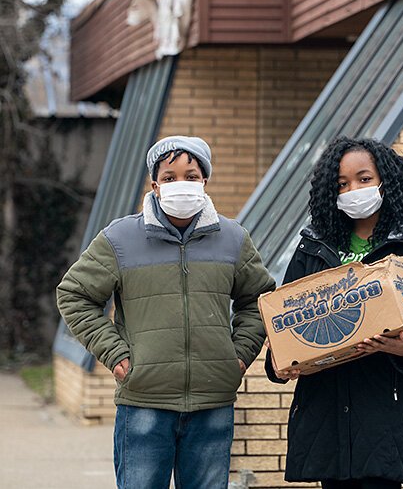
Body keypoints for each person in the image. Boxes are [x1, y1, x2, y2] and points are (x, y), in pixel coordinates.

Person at [57, 135, 275, 489]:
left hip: (212, 402)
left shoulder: (233, 238)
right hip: (144, 401)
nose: (181, 185)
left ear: (204, 180)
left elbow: (259, 298)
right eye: (170, 177)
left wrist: (238, 355)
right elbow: (74, 295)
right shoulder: (120, 239)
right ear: (155, 185)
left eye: (191, 175)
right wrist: (115, 355)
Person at [265, 137, 403, 489]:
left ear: (385, 181)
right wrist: (280, 364)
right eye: (342, 184)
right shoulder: (314, 247)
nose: (353, 189)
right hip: (328, 416)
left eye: (363, 179)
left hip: (385, 416)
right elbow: (284, 321)